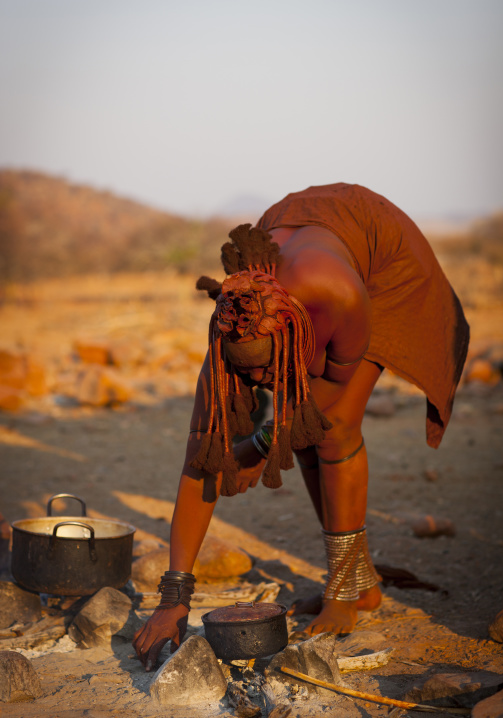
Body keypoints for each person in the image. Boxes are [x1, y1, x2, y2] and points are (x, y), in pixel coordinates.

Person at [133, 182, 469, 670]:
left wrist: (263, 440)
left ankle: (347, 590)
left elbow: (325, 414)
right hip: (296, 224)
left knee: (333, 436)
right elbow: (199, 461)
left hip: (382, 256)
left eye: (266, 371)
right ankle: (362, 583)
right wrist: (173, 597)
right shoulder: (232, 322)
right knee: (297, 437)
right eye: (245, 373)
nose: (256, 382)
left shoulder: (340, 297)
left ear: (295, 336)